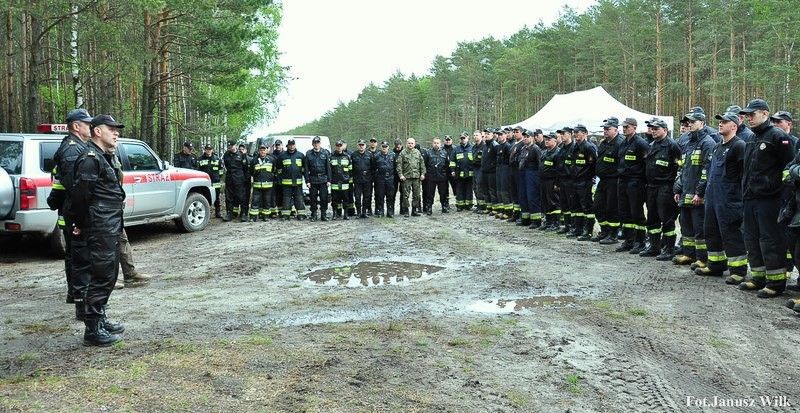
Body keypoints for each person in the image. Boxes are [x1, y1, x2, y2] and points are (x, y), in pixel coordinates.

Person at [69, 114, 127, 346]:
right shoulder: (91, 158)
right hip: (99, 225)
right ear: (97, 131)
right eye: (111, 129)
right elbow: (81, 196)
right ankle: (92, 328)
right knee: (101, 274)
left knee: (109, 273)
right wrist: (81, 224)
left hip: (109, 224)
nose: (116, 133)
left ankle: (99, 317)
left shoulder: (104, 157)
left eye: (117, 130)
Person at [737, 99, 794, 297]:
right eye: (747, 115)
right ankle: (758, 277)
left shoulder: (777, 136)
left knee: (770, 240)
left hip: (770, 199)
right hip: (750, 198)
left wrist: (784, 199)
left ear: (765, 114)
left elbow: (788, 169)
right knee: (751, 239)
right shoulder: (751, 138)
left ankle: (776, 283)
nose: (748, 118)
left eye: (752, 115)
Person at [47, 108, 93, 317]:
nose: (90, 127)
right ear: (76, 126)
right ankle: (81, 303)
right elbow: (75, 187)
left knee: (75, 254)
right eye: (87, 123)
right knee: (80, 256)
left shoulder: (78, 147)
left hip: (72, 212)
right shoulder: (72, 150)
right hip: (74, 213)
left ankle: (74, 293)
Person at [693, 113, 747, 279]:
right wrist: (701, 192)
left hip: (729, 200)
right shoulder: (717, 146)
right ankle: (715, 265)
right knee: (711, 231)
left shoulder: (739, 146)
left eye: (725, 122)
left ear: (734, 126)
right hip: (712, 197)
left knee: (731, 234)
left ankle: (738, 271)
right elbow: (709, 172)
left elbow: (745, 175)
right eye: (720, 122)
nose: (720, 124)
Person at [672, 110, 715, 268]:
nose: (689, 124)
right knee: (686, 227)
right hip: (685, 193)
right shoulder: (687, 141)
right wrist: (677, 189)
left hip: (698, 196)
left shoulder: (708, 142)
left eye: (692, 121)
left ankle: (702, 258)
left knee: (699, 230)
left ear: (702, 123)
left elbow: (706, 171)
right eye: (687, 122)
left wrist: (700, 192)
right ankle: (688, 255)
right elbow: (683, 168)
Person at [641, 119, 681, 260]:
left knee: (667, 219)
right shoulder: (651, 145)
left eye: (656, 128)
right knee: (652, 218)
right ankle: (654, 246)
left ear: (665, 130)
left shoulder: (672, 146)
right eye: (651, 128)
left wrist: (675, 188)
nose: (653, 131)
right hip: (651, 187)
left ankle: (669, 248)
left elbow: (679, 168)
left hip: (665, 187)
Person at [615, 118, 650, 253]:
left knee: (636, 212)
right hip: (623, 181)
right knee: (624, 212)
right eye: (623, 127)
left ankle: (640, 241)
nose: (624, 129)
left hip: (636, 182)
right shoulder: (623, 143)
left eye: (627, 127)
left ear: (634, 128)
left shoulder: (641, 143)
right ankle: (629, 240)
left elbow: (647, 163)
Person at [594, 118, 623, 243]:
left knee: (612, 208)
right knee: (598, 206)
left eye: (608, 129)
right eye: (604, 129)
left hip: (614, 180)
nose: (605, 131)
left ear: (616, 130)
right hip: (603, 180)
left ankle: (613, 234)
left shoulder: (620, 143)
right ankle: (604, 231)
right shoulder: (604, 143)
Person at [571, 124, 597, 241]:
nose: (575, 135)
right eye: (574, 133)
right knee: (576, 206)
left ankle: (588, 231)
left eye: (578, 132)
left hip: (585, 181)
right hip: (575, 180)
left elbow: (594, 165)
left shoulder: (588, 147)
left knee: (587, 206)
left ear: (585, 133)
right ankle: (578, 229)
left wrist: (590, 178)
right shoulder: (575, 146)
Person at [517, 129, 543, 228]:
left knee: (532, 197)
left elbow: (540, 163)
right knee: (523, 196)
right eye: (524, 137)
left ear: (532, 138)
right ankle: (525, 218)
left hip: (532, 174)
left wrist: (538, 177)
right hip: (523, 174)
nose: (525, 138)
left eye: (527, 136)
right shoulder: (523, 148)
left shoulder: (535, 148)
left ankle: (536, 220)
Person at [277, 139, 307, 219]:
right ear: (288, 145)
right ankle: (286, 215)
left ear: (295, 145)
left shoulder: (301, 155)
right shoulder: (282, 156)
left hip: (298, 183)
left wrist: (307, 180)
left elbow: (304, 170)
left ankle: (301, 214)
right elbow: (279, 170)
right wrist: (280, 181)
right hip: (286, 183)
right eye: (290, 144)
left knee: (299, 198)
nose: (291, 146)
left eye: (293, 144)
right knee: (286, 199)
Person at [396, 137, 426, 217]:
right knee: (405, 195)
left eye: (412, 143)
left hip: (416, 177)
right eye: (409, 143)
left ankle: (414, 210)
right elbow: (399, 165)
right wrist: (401, 175)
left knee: (416, 195)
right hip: (406, 178)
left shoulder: (417, 153)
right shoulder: (402, 153)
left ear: (414, 144)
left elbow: (422, 164)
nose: (410, 144)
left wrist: (423, 174)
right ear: (406, 144)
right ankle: (406, 210)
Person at [539, 133, 563, 230]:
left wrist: (557, 183)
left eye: (549, 139)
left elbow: (559, 170)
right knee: (545, 201)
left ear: (555, 141)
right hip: (543, 180)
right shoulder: (544, 152)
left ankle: (555, 223)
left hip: (552, 181)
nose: (547, 141)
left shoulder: (558, 153)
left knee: (553, 202)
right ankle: (548, 222)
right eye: (546, 139)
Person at [304, 136, 331, 221]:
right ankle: (314, 215)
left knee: (324, 198)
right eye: (315, 143)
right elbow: (306, 169)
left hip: (323, 179)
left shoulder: (325, 153)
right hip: (313, 179)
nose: (316, 144)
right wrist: (307, 181)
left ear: (320, 143)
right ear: (312, 144)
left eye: (318, 143)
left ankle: (323, 214)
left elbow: (328, 168)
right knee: (313, 199)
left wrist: (329, 180)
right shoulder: (308, 154)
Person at [249, 144, 278, 221]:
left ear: (266, 150)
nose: (262, 151)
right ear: (259, 151)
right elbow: (251, 172)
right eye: (261, 150)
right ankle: (253, 216)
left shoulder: (272, 160)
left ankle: (265, 216)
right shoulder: (254, 160)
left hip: (268, 186)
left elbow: (274, 171)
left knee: (267, 201)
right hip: (257, 185)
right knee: (255, 201)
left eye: (264, 150)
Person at [222, 141, 249, 221]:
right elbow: (226, 165)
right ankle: (229, 213)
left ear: (235, 146)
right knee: (229, 197)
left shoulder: (241, 154)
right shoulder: (226, 154)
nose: (231, 148)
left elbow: (245, 167)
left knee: (241, 197)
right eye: (229, 147)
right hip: (230, 178)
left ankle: (244, 214)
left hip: (239, 179)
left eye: (232, 146)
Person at [556, 127, 576, 234]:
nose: (562, 136)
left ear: (570, 134)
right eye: (561, 134)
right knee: (564, 204)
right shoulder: (562, 148)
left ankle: (574, 226)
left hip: (571, 180)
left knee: (572, 203)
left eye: (564, 134)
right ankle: (567, 225)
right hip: (562, 179)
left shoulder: (574, 148)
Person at [422, 137, 450, 215]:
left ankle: (444, 206)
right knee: (430, 194)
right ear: (432, 144)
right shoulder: (428, 153)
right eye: (435, 143)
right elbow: (424, 164)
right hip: (431, 177)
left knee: (443, 193)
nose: (436, 144)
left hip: (442, 176)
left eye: (438, 143)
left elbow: (447, 165)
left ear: (440, 144)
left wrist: (446, 174)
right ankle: (429, 208)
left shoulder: (444, 152)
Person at [351, 139, 376, 218]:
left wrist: (371, 177)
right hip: (357, 179)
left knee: (367, 196)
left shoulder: (370, 155)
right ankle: (358, 212)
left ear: (365, 146)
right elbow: (351, 168)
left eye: (362, 145)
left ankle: (364, 212)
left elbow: (373, 168)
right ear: (357, 145)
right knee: (357, 197)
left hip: (367, 179)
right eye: (360, 145)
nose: (361, 146)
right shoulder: (353, 155)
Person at [198, 143, 224, 218]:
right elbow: (198, 170)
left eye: (210, 149)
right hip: (204, 183)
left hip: (216, 182)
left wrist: (217, 177)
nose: (208, 151)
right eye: (207, 149)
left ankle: (218, 212)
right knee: (204, 198)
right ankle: (204, 213)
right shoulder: (200, 159)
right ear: (205, 150)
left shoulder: (217, 159)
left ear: (212, 150)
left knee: (217, 198)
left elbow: (221, 170)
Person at [450, 132, 474, 211]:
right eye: (461, 138)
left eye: (464, 138)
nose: (463, 140)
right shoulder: (456, 149)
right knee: (459, 190)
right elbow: (452, 161)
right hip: (459, 173)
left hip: (470, 173)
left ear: (468, 138)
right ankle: (460, 205)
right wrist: (452, 170)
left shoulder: (472, 148)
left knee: (469, 190)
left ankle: (468, 205)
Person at [330, 140, 352, 220]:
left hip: (345, 182)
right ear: (336, 146)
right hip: (335, 182)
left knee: (346, 199)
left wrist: (349, 179)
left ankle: (345, 214)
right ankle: (335, 214)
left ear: (342, 146)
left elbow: (350, 169)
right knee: (335, 200)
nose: (339, 147)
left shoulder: (347, 156)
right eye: (337, 146)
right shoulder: (331, 156)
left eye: (340, 146)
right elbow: (329, 170)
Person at [374, 141, 396, 217]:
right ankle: (380, 211)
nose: (384, 148)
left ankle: (390, 211)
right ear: (381, 147)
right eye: (383, 146)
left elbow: (396, 167)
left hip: (390, 178)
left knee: (390, 196)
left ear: (388, 147)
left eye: (386, 146)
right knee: (380, 195)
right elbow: (373, 168)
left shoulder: (393, 155)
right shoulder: (376, 156)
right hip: (380, 178)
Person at [494, 129, 513, 219]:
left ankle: (509, 212)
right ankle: (502, 210)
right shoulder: (499, 146)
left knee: (505, 191)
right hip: (499, 168)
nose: (499, 136)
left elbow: (510, 161)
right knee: (499, 190)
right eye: (498, 135)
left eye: (501, 134)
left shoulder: (507, 146)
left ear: (505, 135)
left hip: (505, 169)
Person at [508, 127, 525, 223]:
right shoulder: (514, 144)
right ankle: (516, 213)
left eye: (517, 132)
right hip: (512, 171)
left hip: (519, 172)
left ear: (522, 133)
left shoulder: (523, 144)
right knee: (514, 193)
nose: (515, 134)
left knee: (520, 193)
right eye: (514, 132)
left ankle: (522, 214)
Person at [481, 129, 500, 216]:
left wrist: (493, 167)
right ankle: (488, 207)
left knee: (492, 190)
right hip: (484, 171)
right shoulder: (485, 146)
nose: (486, 135)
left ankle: (495, 208)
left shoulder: (495, 145)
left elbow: (498, 159)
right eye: (485, 134)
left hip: (492, 172)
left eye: (488, 134)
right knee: (485, 190)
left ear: (493, 135)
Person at [471, 131, 486, 212]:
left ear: (481, 136)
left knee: (480, 187)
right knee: (475, 187)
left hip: (481, 168)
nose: (475, 137)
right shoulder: (473, 147)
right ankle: (479, 204)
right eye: (474, 135)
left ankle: (483, 206)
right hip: (474, 169)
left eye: (477, 135)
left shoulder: (484, 146)